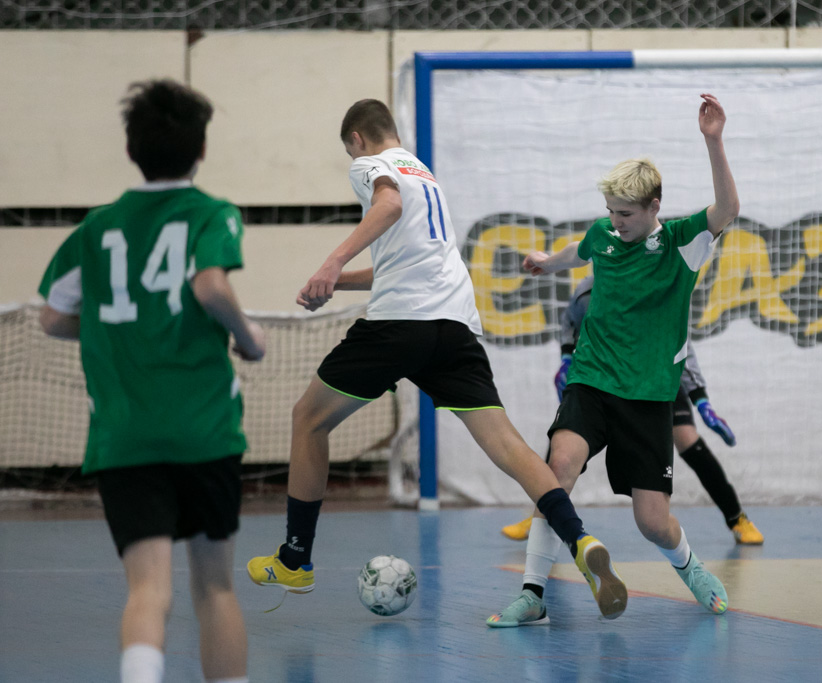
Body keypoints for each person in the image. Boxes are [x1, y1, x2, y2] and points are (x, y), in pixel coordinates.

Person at [246, 99, 627, 621]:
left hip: (400, 323)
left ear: (356, 139)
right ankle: (580, 540)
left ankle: (294, 559)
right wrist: (336, 282)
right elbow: (404, 262)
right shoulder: (425, 176)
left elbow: (386, 207)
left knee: (308, 420)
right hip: (454, 325)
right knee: (508, 445)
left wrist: (332, 261)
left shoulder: (370, 165)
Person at [37, 80, 263, 683]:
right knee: (215, 588)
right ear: (202, 148)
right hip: (204, 431)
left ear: (130, 149)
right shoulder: (211, 213)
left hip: (124, 435)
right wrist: (248, 336)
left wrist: (115, 329)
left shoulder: (97, 228)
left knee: (147, 590)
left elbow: (53, 318)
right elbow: (210, 285)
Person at [487, 93, 739, 627]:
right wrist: (546, 263)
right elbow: (578, 251)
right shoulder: (604, 234)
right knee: (556, 470)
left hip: (648, 395)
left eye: (626, 214)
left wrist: (714, 141)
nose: (615, 221)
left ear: (654, 208)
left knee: (653, 522)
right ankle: (533, 593)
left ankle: (690, 567)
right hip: (592, 380)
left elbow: (727, 210)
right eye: (611, 211)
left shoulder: (682, 243)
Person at [500, 276, 764, 545]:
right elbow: (570, 320)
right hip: (607, 379)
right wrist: (567, 358)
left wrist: (700, 398)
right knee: (568, 433)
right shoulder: (588, 291)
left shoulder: (657, 286)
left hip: (657, 380)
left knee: (687, 439)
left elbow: (680, 344)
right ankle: (543, 513)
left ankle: (737, 517)